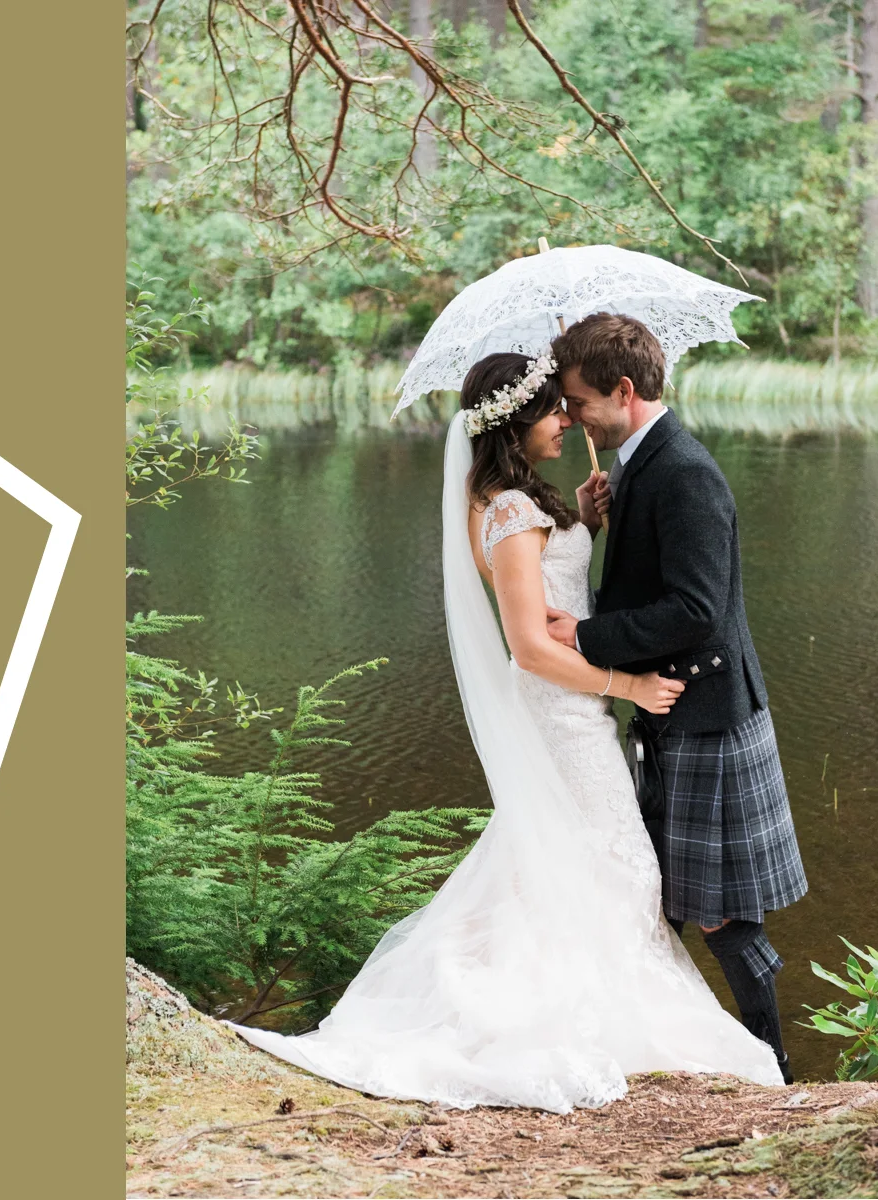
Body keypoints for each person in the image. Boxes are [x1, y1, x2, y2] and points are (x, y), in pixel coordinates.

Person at [226, 347, 785, 1112]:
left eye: (572, 403)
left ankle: (574, 998)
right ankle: (563, 1016)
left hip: (576, 709)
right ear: (517, 421)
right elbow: (528, 646)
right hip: (563, 714)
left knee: (565, 865)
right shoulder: (513, 512)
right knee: (620, 870)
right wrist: (628, 684)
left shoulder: (516, 501)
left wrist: (584, 520)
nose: (567, 417)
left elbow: (553, 586)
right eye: (555, 408)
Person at [547, 312, 807, 1084]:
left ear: (623, 391)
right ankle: (683, 1050)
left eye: (579, 403)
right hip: (675, 712)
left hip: (705, 716)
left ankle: (773, 1066)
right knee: (656, 890)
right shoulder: (641, 462)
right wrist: (601, 518)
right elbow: (653, 585)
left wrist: (584, 639)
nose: (570, 418)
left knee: (723, 913)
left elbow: (696, 610)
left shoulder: (684, 472)